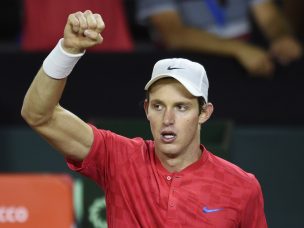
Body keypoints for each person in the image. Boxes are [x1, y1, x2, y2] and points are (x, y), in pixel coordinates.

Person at [21, 10, 267, 227]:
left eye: (181, 107)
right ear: (147, 109)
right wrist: (67, 51)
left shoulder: (242, 187)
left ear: (204, 113)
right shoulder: (117, 157)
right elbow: (39, 115)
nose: (167, 118)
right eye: (159, 106)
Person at [136, 0, 303, 77]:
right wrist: (237, 49)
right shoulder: (241, 50)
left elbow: (270, 18)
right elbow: (173, 34)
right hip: (182, 73)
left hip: (245, 68)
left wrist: (282, 37)